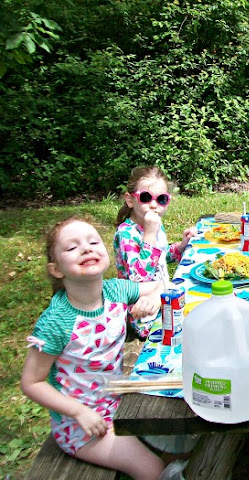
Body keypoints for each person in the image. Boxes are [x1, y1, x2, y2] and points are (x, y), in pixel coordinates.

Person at [20, 216, 166, 479]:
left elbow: (158, 285)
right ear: (56, 269)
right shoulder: (56, 322)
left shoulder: (116, 291)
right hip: (82, 425)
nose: (86, 248)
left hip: (119, 399)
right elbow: (32, 382)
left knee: (179, 441)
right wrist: (79, 412)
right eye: (72, 247)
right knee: (152, 469)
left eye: (93, 241)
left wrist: (154, 299)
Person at [113, 166, 196, 339]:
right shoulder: (126, 234)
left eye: (161, 199)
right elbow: (139, 278)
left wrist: (180, 246)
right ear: (130, 200)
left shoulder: (155, 224)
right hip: (144, 313)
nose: (153, 205)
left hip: (164, 297)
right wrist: (150, 234)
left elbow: (160, 257)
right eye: (145, 198)